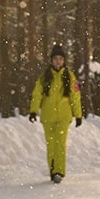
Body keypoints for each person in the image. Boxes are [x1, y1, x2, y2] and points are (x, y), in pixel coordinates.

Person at [28, 44, 83, 183]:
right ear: (51, 60)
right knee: (51, 145)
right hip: (48, 117)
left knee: (60, 144)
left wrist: (78, 115)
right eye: (55, 58)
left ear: (64, 61)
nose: (58, 61)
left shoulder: (70, 76)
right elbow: (37, 95)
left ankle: (59, 171)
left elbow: (75, 97)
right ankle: (53, 171)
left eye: (60, 58)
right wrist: (33, 111)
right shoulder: (44, 77)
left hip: (64, 116)